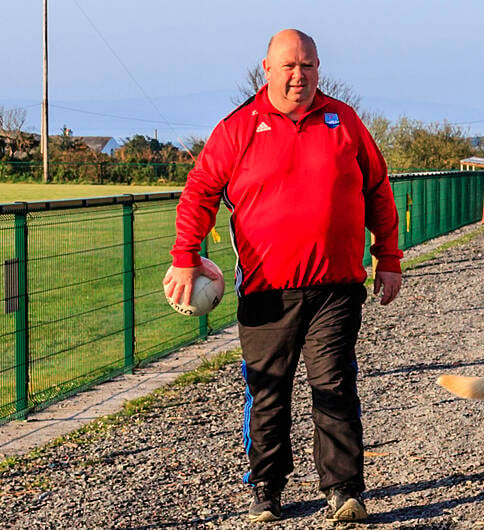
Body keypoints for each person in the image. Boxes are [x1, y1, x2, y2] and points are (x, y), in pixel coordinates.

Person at [163, 29, 402, 523]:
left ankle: (344, 490)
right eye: (289, 66)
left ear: (319, 69)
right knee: (268, 389)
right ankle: (267, 489)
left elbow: (377, 188)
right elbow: (201, 191)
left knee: (334, 382)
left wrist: (389, 256)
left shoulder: (345, 121)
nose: (300, 75)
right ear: (267, 69)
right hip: (267, 291)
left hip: (336, 288)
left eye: (309, 65)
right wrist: (185, 255)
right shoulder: (239, 127)